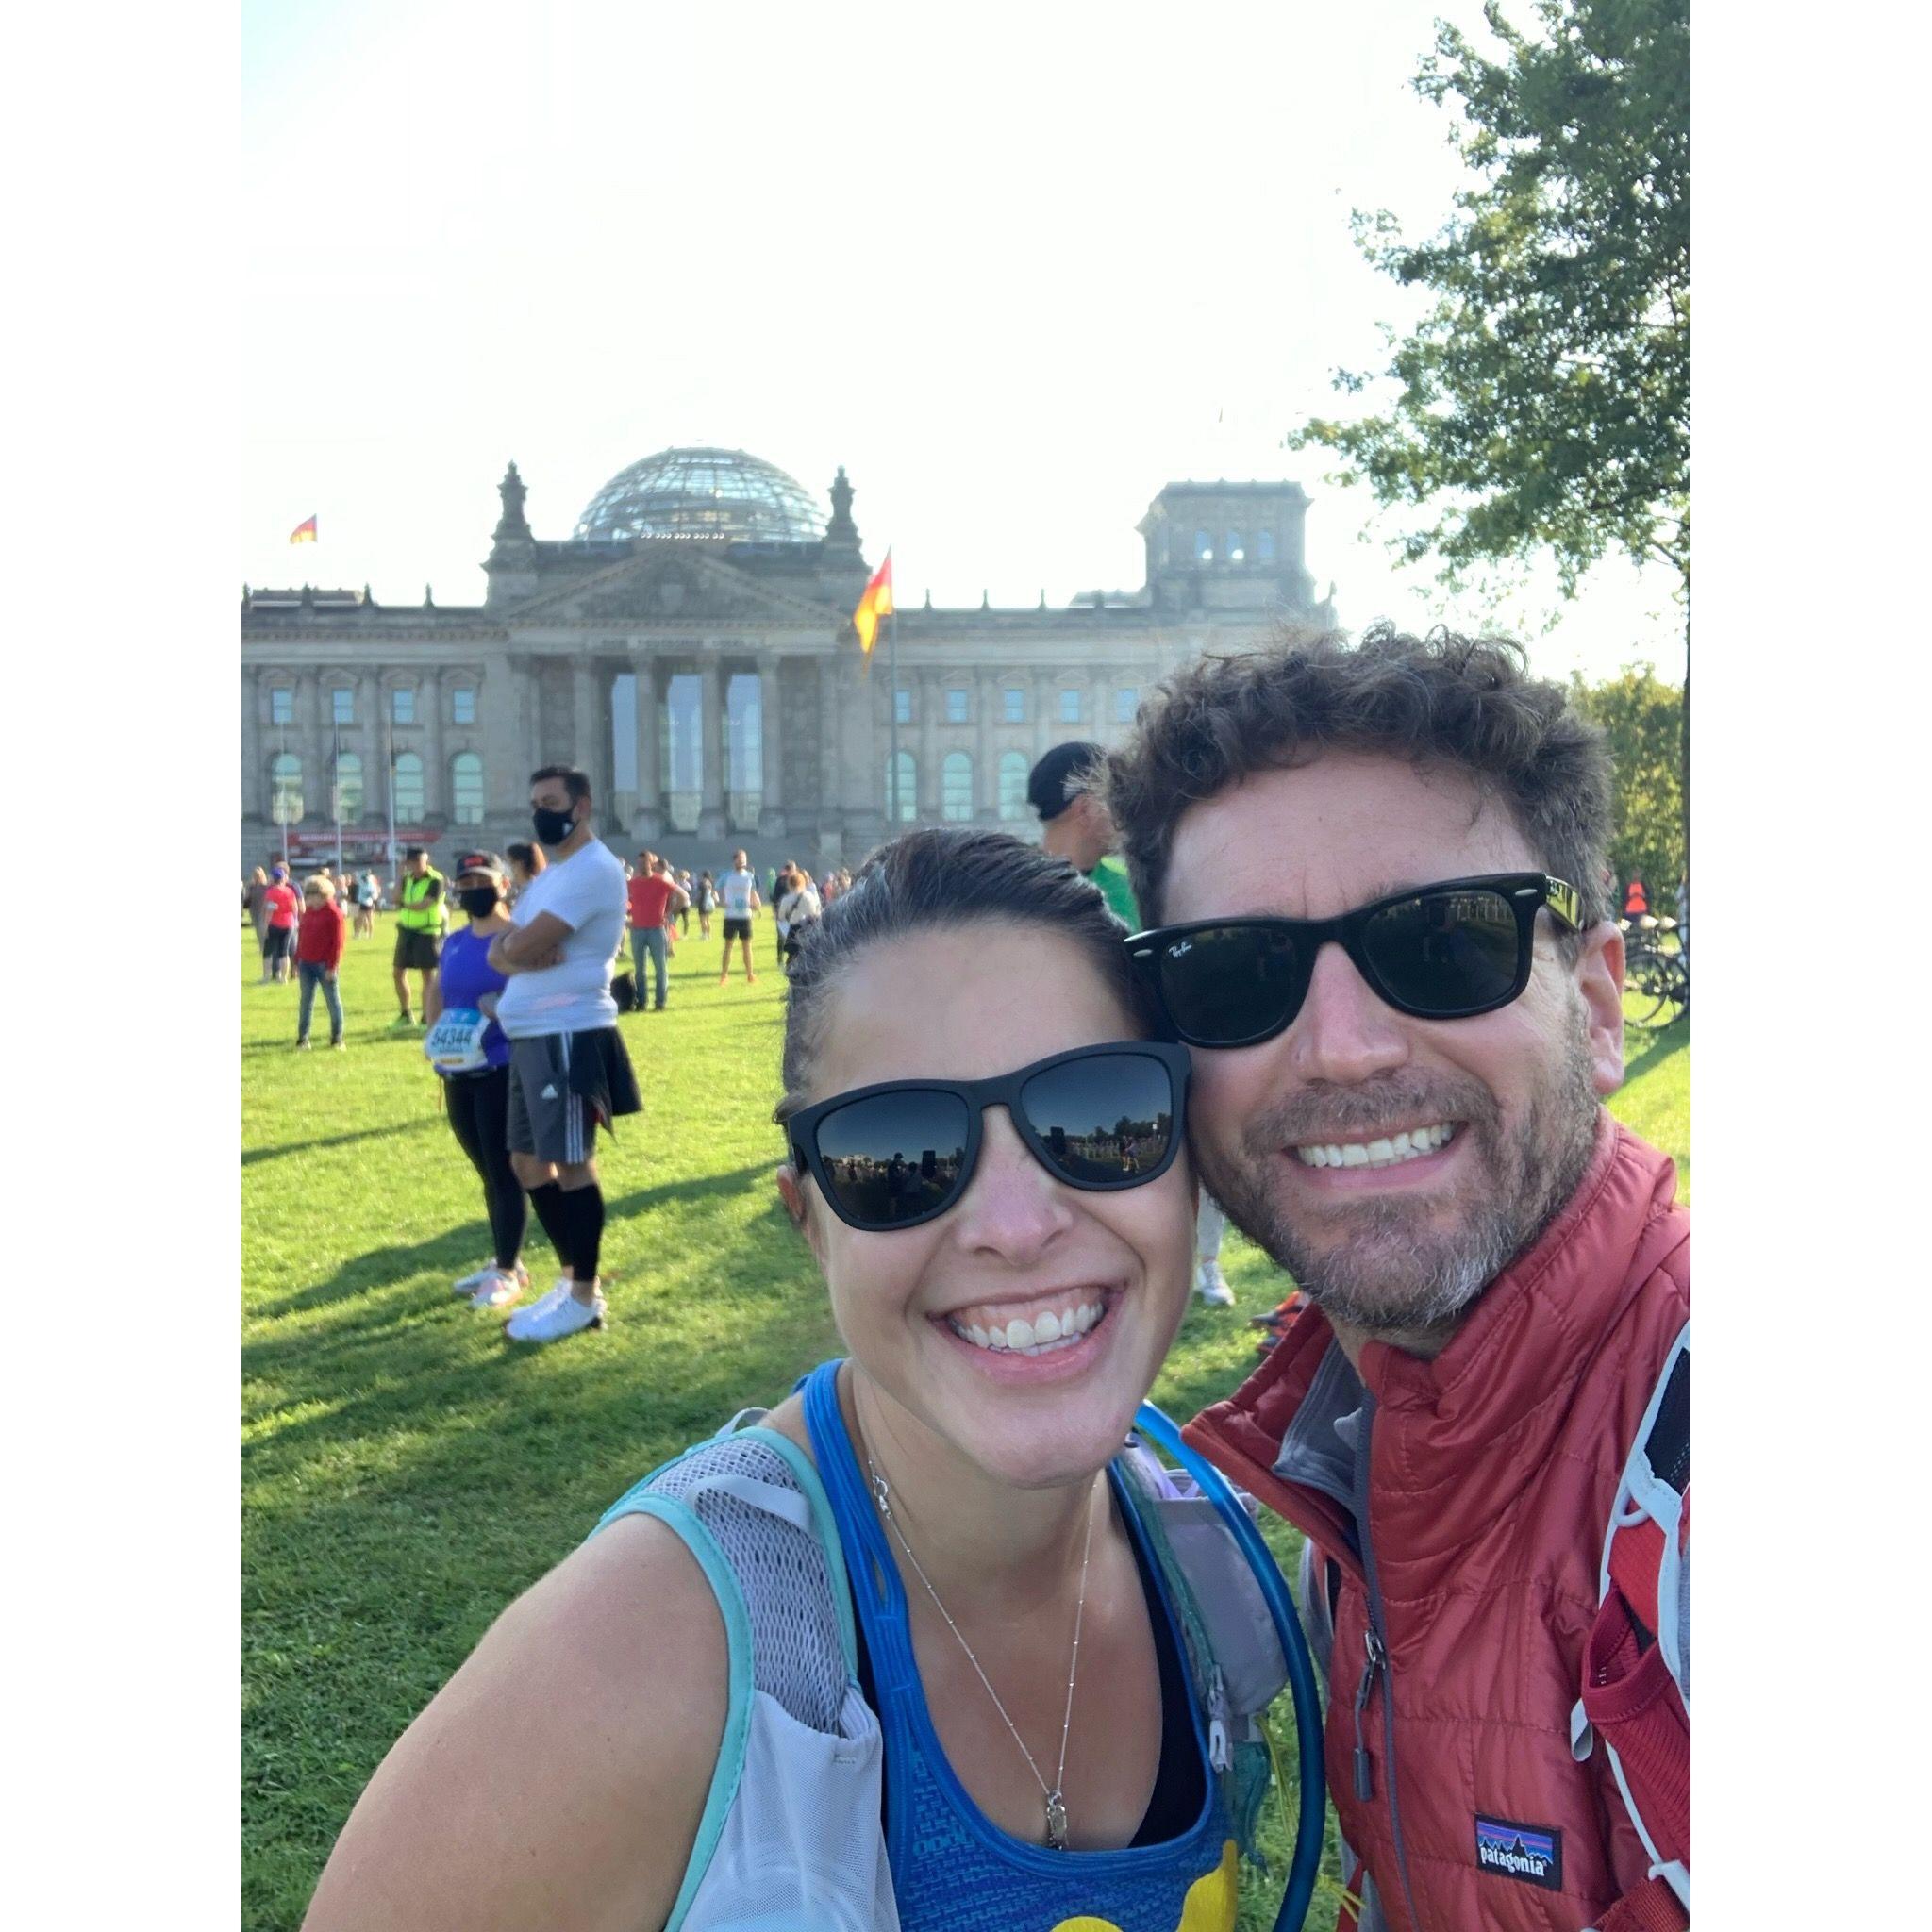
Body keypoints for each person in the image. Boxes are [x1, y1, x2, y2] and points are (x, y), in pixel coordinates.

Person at [301, 828, 1289, 1932]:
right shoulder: (646, 1658)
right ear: (806, 1219)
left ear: (1185, 1156)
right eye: (896, 1153)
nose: (1016, 1225)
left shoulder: (1208, 1561)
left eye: (1098, 1115)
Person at [1105, 622, 1691, 1930]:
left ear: (1595, 1009)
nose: (1346, 1050)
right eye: (1238, 974)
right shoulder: (1364, 1417)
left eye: (1440, 941)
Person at [1031, 742, 1234, 1311]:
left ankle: (1207, 1266)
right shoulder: (1011, 893)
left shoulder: (1128, 884)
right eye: (1109, 796)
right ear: (1083, 805)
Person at [487, 765, 641, 1344]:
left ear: (583, 805)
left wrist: (514, 950)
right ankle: (573, 1275)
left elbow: (516, 945)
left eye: (551, 801)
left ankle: (584, 1294)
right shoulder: (551, 876)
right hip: (530, 1032)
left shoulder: (594, 869)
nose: (541, 813)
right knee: (527, 1161)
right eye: (535, 803)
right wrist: (514, 951)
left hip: (567, 1031)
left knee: (572, 1162)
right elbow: (508, 947)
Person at [423, 852, 532, 1309]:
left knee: (504, 1171)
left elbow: (532, 990)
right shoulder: (455, 941)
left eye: (480, 882)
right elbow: (439, 989)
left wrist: (501, 1007)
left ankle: (508, 1271)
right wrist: (433, 1038)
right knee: (486, 1170)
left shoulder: (518, 938)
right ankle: (505, 1259)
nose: (471, 891)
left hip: (501, 1068)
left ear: (502, 885)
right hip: (457, 1070)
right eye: (464, 883)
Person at [1029, 740, 1139, 927]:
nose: (1128, 810)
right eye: (1117, 797)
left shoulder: (1013, 892)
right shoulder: (1130, 894)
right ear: (1086, 810)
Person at [625, 851, 688, 1013]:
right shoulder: (633, 883)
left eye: (644, 862)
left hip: (657, 929)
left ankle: (660, 1002)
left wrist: (670, 913)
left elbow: (682, 896)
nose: (641, 866)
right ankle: (641, 1001)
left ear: (651, 864)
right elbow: (622, 900)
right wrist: (628, 917)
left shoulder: (661, 882)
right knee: (640, 969)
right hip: (637, 929)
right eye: (639, 863)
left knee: (660, 967)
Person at [391, 847, 444, 1027]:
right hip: (407, 931)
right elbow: (395, 897)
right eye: (415, 862)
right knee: (398, 973)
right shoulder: (407, 879)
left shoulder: (435, 880)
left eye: (423, 861)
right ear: (409, 863)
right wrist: (399, 876)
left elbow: (425, 904)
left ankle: (426, 1016)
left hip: (427, 932)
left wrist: (404, 904)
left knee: (427, 976)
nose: (420, 866)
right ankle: (405, 1013)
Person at [293, 875, 347, 1048]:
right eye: (308, 895)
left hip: (324, 965)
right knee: (305, 1003)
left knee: (333, 1002)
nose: (309, 899)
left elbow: (337, 943)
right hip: (306, 964)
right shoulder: (308, 912)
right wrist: (297, 960)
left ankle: (337, 1038)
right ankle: (303, 1039)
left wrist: (332, 966)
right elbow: (301, 937)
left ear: (324, 895)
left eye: (313, 895)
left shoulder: (334, 914)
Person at [717, 847, 759, 985]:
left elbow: (753, 893)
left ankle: (750, 974)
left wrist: (756, 904)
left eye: (744, 859)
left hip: (745, 916)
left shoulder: (750, 877)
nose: (742, 861)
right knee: (728, 946)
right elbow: (715, 889)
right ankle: (724, 975)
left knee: (747, 946)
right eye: (740, 859)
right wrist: (721, 901)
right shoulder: (726, 876)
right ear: (734, 860)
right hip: (730, 915)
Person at [774, 862, 822, 972]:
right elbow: (814, 913)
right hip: (808, 928)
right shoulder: (809, 896)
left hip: (793, 929)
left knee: (793, 956)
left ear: (789, 884)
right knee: (807, 954)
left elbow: (781, 916)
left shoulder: (786, 899)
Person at [259, 864, 300, 984]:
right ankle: (284, 977)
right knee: (284, 951)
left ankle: (267, 976)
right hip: (288, 923)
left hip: (274, 923)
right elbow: (295, 908)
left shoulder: (271, 892)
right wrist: (295, 920)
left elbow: (269, 909)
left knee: (268, 951)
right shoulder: (290, 891)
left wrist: (266, 925)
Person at [504, 840, 544, 906]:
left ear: (520, 863)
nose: (506, 867)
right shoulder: (519, 890)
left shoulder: (534, 890)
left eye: (509, 862)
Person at [246, 865, 272, 960]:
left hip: (263, 911)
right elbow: (247, 899)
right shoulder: (251, 886)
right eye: (255, 875)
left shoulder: (266, 887)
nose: (256, 877)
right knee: (258, 931)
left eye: (258, 875)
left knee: (263, 930)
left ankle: (266, 949)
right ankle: (262, 947)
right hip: (254, 911)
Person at [693, 868, 716, 940]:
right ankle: (709, 935)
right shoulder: (711, 883)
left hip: (703, 903)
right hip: (709, 903)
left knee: (702, 920)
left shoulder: (702, 883)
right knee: (708, 919)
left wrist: (696, 900)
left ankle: (704, 934)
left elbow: (700, 893)